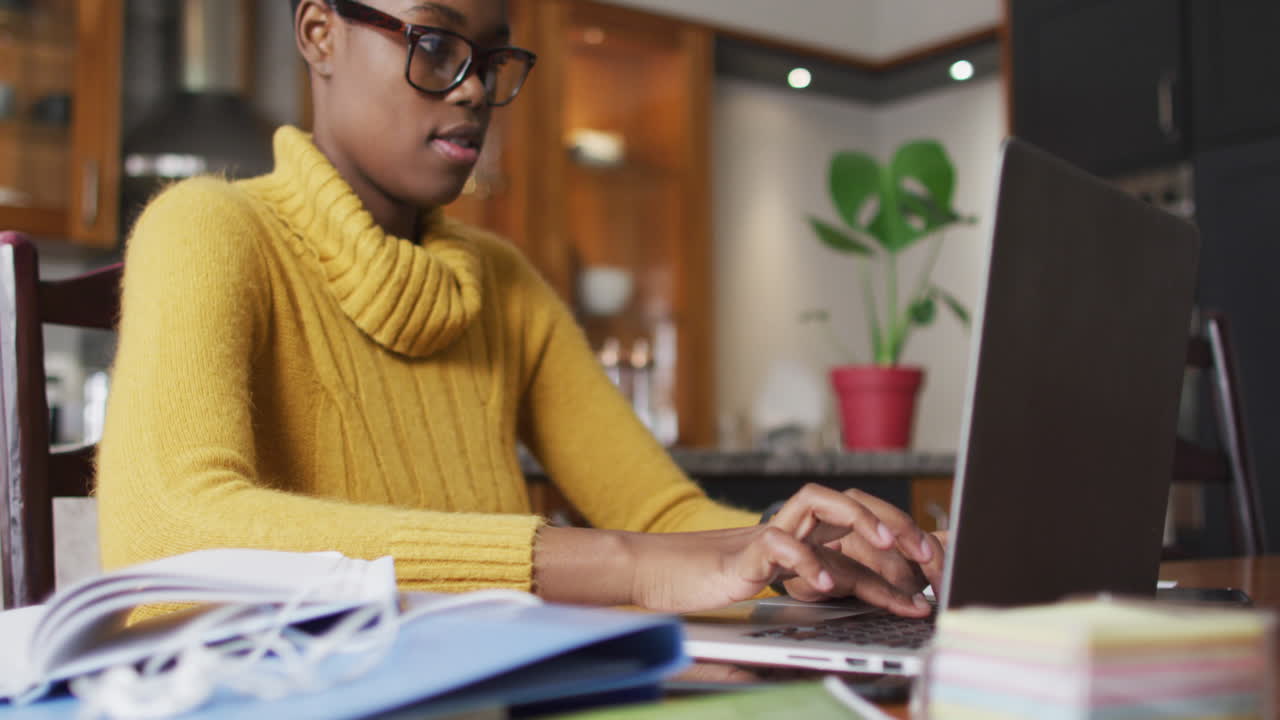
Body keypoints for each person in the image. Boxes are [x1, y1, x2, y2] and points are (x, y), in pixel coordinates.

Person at [96, 0, 944, 615]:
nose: (471, 91)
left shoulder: (501, 282)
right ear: (319, 32)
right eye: (434, 44)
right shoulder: (206, 226)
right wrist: (628, 567)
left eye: (492, 59)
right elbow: (173, 528)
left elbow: (657, 514)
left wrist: (794, 557)